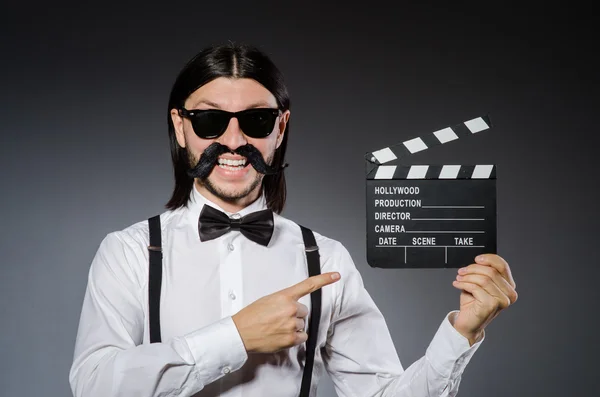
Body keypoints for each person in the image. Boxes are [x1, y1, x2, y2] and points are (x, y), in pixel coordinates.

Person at [69, 42, 518, 397]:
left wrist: (463, 331)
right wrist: (235, 337)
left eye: (257, 120)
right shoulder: (128, 252)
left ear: (280, 128)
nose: (232, 139)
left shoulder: (326, 259)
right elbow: (92, 385)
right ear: (181, 126)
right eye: (209, 120)